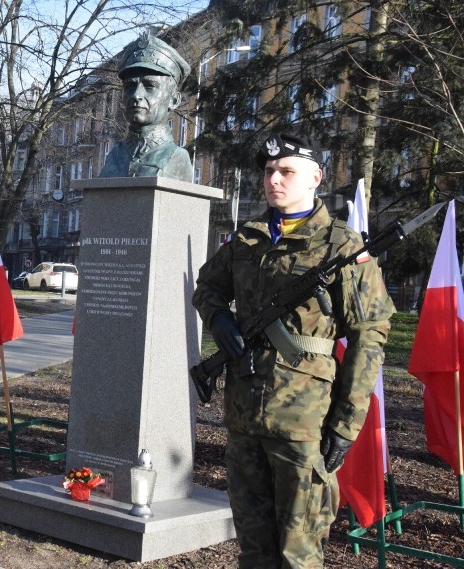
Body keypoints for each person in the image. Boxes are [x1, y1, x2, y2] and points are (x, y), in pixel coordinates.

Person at [191, 132, 394, 567]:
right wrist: (219, 319)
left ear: (315, 177)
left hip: (306, 421)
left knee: (298, 554)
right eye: (268, 172)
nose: (274, 180)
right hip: (244, 414)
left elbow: (369, 336)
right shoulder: (247, 239)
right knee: (254, 547)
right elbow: (206, 287)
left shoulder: (341, 245)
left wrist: (345, 424)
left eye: (286, 171)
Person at [100, 33, 193, 181]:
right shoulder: (114, 156)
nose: (136, 95)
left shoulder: (177, 158)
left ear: (174, 100)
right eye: (130, 86)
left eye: (150, 86)